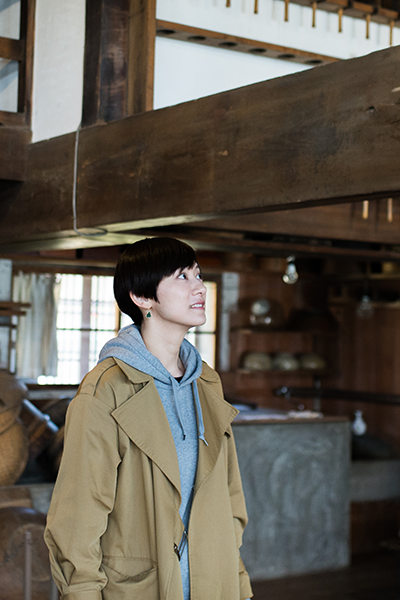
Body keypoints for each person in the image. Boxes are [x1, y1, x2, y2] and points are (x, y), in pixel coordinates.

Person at [45, 237, 253, 600]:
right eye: (182, 276)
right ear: (142, 297)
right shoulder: (105, 390)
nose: (199, 287)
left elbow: (230, 498)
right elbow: (78, 519)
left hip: (215, 586)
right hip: (140, 589)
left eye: (198, 275)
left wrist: (239, 583)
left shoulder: (206, 383)